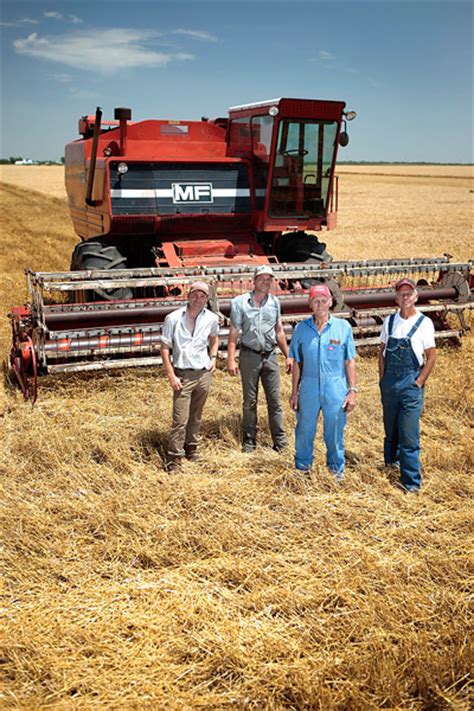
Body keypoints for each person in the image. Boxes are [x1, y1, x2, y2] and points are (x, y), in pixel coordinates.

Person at [289, 283, 357, 478]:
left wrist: (352, 391)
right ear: (310, 304)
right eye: (315, 301)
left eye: (323, 300)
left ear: (330, 302)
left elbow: (349, 361)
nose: (319, 305)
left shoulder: (343, 327)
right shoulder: (301, 329)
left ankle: (336, 472)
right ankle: (302, 469)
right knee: (304, 430)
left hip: (335, 386)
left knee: (334, 431)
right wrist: (294, 392)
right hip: (309, 386)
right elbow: (297, 364)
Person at [379, 277, 436, 493]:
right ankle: (390, 465)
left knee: (409, 434)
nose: (405, 297)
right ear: (396, 297)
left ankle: (411, 483)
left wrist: (419, 382)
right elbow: (381, 351)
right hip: (390, 382)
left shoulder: (424, 323)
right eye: (401, 294)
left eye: (409, 294)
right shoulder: (389, 321)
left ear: (416, 296)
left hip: (410, 382)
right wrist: (383, 379)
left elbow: (431, 356)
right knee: (390, 428)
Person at [227, 264, 291, 453]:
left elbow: (279, 331)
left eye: (269, 279)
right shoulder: (239, 303)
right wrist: (231, 359)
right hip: (249, 355)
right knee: (250, 401)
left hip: (270, 355)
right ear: (253, 281)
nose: (266, 282)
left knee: (275, 401)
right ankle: (249, 441)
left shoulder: (275, 302)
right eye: (262, 278)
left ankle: (280, 442)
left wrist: (289, 356)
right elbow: (234, 332)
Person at [160, 281, 219, 470]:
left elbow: (215, 338)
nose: (198, 299)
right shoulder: (173, 318)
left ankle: (191, 448)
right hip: (182, 374)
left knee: (196, 415)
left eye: (203, 296)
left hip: (203, 373)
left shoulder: (211, 318)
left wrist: (214, 358)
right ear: (188, 295)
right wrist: (171, 375)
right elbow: (164, 348)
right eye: (195, 295)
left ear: (207, 299)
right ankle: (174, 458)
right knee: (180, 418)